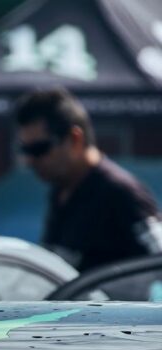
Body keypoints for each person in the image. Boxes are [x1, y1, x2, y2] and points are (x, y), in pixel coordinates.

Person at [14, 87, 162, 271]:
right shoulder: (62, 189)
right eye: (25, 150)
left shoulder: (121, 194)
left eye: (39, 149)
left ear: (75, 139)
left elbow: (158, 260)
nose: (29, 161)